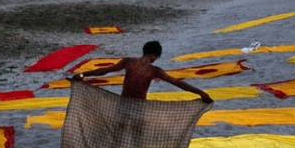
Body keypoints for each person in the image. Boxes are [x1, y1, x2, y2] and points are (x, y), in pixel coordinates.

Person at [69, 40, 213, 103]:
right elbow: (178, 83)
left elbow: (104, 71)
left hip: (123, 103)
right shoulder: (154, 70)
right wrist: (201, 93)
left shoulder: (128, 62)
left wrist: (82, 75)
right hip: (139, 106)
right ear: (155, 55)